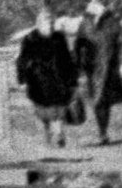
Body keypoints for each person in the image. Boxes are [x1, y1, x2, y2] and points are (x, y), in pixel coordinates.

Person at [15, 9, 78, 150]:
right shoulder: (30, 39)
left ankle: (59, 135)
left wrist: (73, 81)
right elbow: (21, 62)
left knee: (59, 110)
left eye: (51, 23)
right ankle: (47, 137)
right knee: (42, 112)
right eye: (46, 23)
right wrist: (22, 81)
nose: (49, 26)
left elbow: (68, 60)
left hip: (59, 81)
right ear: (39, 24)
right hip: (38, 82)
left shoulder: (59, 38)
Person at [79, 0, 122, 145]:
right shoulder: (85, 22)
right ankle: (102, 131)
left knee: (103, 100)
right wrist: (78, 67)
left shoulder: (112, 22)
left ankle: (103, 133)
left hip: (109, 67)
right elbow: (79, 44)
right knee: (97, 100)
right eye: (91, 4)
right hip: (91, 68)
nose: (91, 6)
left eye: (96, 4)